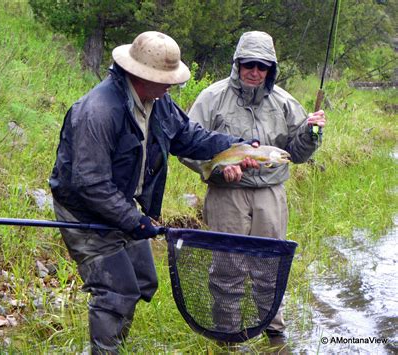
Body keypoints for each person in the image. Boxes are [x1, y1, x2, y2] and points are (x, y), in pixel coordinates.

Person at [48, 31, 258, 354]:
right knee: (115, 289)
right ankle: (106, 350)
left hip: (120, 203)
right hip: (83, 210)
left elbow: (189, 137)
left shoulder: (158, 102)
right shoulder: (99, 111)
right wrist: (135, 219)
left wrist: (235, 147)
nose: (171, 85)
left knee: (143, 280)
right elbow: (90, 184)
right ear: (141, 75)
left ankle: (114, 339)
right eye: (166, 79)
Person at [181, 31, 326, 343]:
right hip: (226, 196)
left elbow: (296, 155)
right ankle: (228, 337)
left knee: (269, 268)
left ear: (271, 69)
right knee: (227, 268)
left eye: (263, 66)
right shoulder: (211, 98)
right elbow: (186, 147)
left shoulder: (286, 103)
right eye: (249, 64)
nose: (255, 71)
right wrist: (218, 173)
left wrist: (312, 134)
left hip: (270, 197)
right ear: (237, 63)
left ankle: (274, 334)